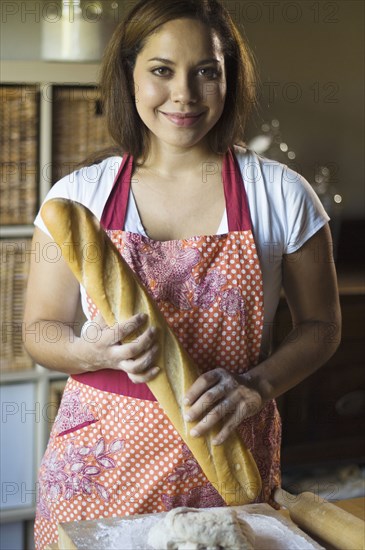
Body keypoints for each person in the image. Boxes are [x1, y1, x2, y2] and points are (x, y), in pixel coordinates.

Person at [23, 1, 341, 548]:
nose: (185, 95)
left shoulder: (282, 195)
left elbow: (321, 325)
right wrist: (93, 352)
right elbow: (40, 331)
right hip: (99, 471)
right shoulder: (78, 197)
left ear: (229, 77)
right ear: (129, 76)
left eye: (207, 72)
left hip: (226, 461)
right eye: (162, 70)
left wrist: (257, 385)